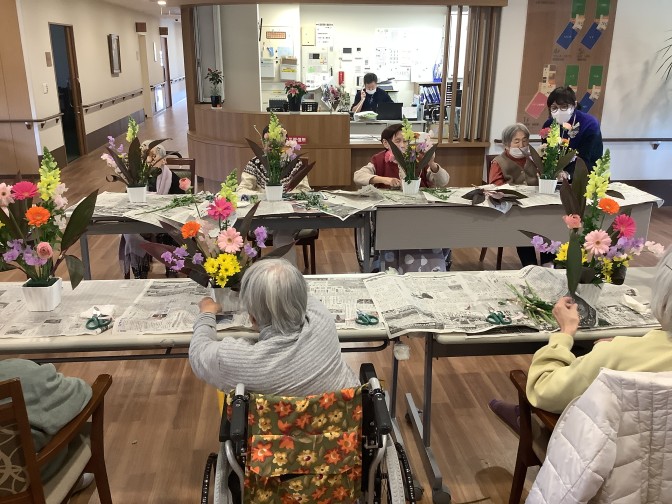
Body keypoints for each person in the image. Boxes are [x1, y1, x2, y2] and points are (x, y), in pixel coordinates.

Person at [490, 246, 672, 431]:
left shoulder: (616, 354)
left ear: (664, 297)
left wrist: (565, 333)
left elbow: (543, 391)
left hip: (597, 443)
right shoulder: (629, 352)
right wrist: (628, 346)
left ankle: (529, 424)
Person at [189, 258, 360, 396]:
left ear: (252, 317)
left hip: (271, 430)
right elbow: (301, 297)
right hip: (345, 424)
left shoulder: (235, 358)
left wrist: (207, 312)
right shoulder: (322, 319)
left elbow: (198, 352)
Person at [353, 123, 451, 273]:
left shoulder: (417, 158)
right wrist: (384, 180)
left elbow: (443, 181)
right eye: (397, 141)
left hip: (421, 214)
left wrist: (431, 163)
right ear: (386, 143)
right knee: (397, 228)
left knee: (432, 229)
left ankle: (431, 268)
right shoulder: (379, 159)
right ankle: (395, 269)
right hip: (392, 216)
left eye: (406, 140)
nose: (403, 145)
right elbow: (358, 176)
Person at [0, 359, 94, 491]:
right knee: (57, 418)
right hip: (30, 483)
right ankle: (66, 483)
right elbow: (81, 393)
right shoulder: (21, 372)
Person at [488, 123, 553, 268]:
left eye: (524, 141)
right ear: (506, 144)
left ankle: (548, 262)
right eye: (516, 141)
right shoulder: (498, 162)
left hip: (536, 205)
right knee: (523, 227)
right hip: (515, 209)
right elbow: (495, 186)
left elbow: (545, 178)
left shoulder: (534, 159)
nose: (521, 145)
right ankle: (529, 264)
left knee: (548, 222)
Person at [542, 86, 604, 175]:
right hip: (556, 176)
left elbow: (586, 157)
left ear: (574, 105)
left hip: (587, 174)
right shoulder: (549, 125)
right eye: (554, 108)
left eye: (564, 107)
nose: (559, 111)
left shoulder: (589, 124)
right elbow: (547, 154)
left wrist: (567, 174)